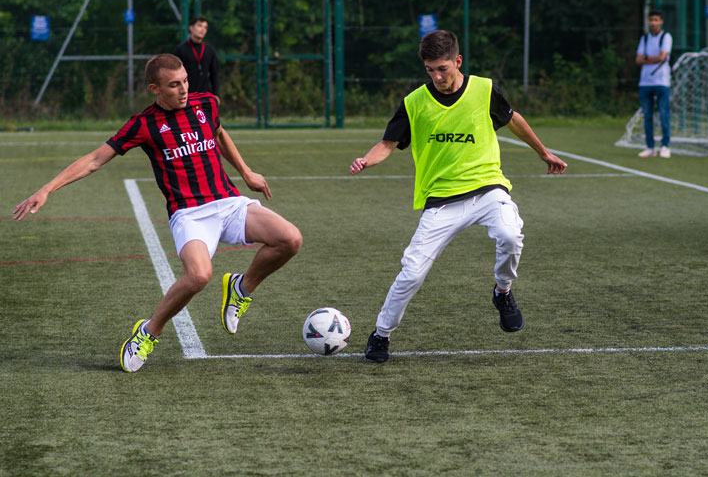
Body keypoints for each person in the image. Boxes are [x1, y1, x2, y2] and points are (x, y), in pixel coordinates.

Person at [13, 54, 302, 372]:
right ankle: (148, 332)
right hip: (189, 213)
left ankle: (241, 288)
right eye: (174, 85)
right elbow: (95, 159)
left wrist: (246, 172)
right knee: (198, 276)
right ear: (155, 88)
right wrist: (47, 189)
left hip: (228, 202)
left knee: (290, 239)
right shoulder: (144, 124)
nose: (183, 90)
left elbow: (218, 133)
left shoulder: (206, 104)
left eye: (185, 81)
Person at [349, 30, 568, 363]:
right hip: (441, 200)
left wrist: (542, 152)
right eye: (430, 70)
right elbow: (387, 144)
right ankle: (381, 335)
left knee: (510, 234)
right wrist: (368, 159)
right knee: (411, 272)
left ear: (457, 61)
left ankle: (503, 292)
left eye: (442, 69)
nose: (437, 77)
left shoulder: (483, 89)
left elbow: (513, 120)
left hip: (487, 188)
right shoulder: (414, 102)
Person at [635, 9, 673, 158]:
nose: (653, 23)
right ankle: (650, 147)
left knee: (664, 113)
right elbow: (638, 59)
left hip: (661, 81)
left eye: (656, 20)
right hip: (645, 82)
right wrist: (652, 58)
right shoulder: (644, 38)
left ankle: (665, 145)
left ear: (661, 21)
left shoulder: (666, 37)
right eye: (651, 20)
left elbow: (662, 57)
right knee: (647, 115)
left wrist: (647, 58)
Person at [173, 15, 220, 96]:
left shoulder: (210, 50)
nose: (202, 30)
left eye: (205, 27)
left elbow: (215, 74)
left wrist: (216, 95)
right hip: (186, 95)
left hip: (205, 96)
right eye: (199, 26)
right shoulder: (180, 49)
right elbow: (175, 74)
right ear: (191, 28)